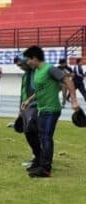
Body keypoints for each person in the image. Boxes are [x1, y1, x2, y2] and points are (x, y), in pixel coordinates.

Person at [21, 45, 80, 178]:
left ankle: (45, 168)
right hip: (41, 108)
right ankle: (39, 160)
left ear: (34, 58)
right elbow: (40, 90)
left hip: (51, 109)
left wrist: (74, 101)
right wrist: (29, 100)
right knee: (30, 131)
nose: (27, 63)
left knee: (46, 137)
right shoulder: (37, 71)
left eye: (28, 60)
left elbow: (69, 81)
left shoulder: (50, 69)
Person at [14, 57, 41, 170]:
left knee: (32, 131)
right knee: (28, 132)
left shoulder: (36, 73)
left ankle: (40, 158)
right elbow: (23, 92)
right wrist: (20, 110)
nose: (20, 67)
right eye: (18, 66)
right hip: (26, 108)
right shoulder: (25, 75)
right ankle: (37, 157)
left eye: (21, 64)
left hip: (36, 106)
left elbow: (40, 90)